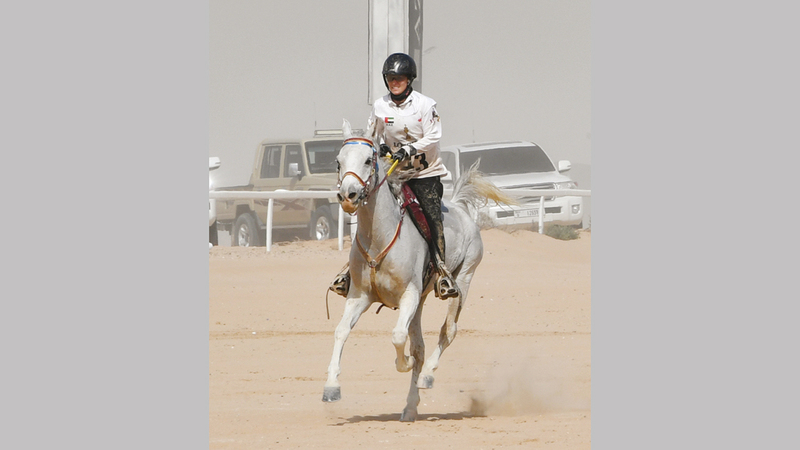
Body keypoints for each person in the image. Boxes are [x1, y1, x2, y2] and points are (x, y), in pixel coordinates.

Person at [330, 52, 459, 300]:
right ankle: (350, 272)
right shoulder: (380, 106)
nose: (394, 82)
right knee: (370, 215)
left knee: (431, 217)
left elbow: (434, 136)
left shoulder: (425, 105)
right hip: (393, 172)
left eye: (399, 78)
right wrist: (380, 150)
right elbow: (373, 135)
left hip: (424, 173)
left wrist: (409, 149)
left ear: (409, 79)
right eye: (390, 78)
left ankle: (442, 272)